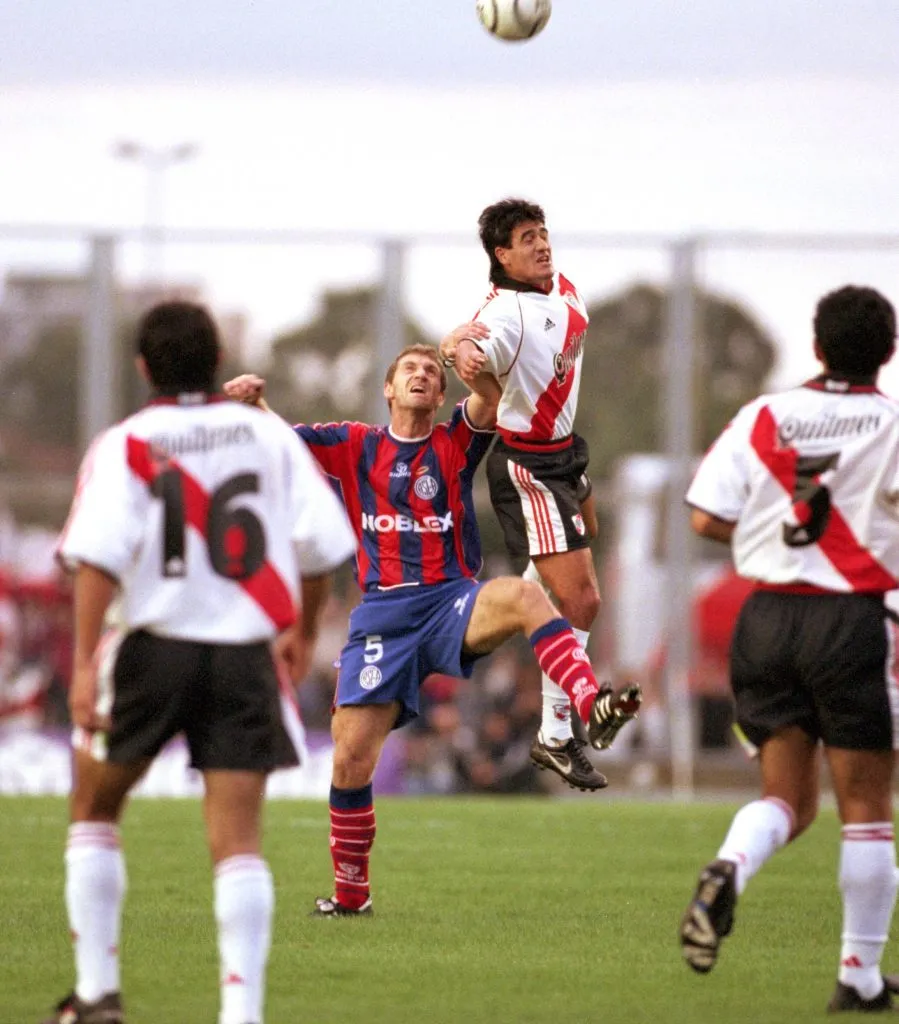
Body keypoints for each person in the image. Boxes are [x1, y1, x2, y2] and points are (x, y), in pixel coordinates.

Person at [224, 334, 636, 917]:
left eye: (429, 371)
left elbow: (491, 405)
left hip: (450, 601)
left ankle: (587, 702)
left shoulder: (454, 442)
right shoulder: (354, 443)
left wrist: (469, 362)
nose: (420, 374)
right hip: (382, 619)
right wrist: (253, 405)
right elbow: (281, 446)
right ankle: (350, 898)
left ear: (441, 394)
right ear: (388, 388)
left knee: (523, 594)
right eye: (409, 369)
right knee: (349, 760)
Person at [45, 300, 357, 1024]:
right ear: (217, 361)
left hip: (151, 647)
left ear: (143, 366)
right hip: (243, 655)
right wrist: (303, 631)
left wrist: (89, 662)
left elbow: (93, 559)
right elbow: (320, 547)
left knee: (94, 810)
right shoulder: (265, 437)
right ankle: (239, 1015)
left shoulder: (126, 442)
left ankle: (97, 998)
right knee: (237, 841)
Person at [678, 285, 899, 1012]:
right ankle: (858, 976)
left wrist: (769, 537)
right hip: (850, 621)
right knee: (865, 804)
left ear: (815, 345)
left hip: (764, 618)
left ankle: (727, 871)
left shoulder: (763, 414)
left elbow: (705, 515)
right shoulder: (892, 423)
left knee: (785, 799)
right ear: (888, 351)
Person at [439, 197, 641, 790]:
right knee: (582, 602)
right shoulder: (507, 316)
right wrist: (459, 348)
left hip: (564, 454)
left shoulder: (566, 289)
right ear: (501, 255)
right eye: (526, 238)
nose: (541, 244)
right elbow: (474, 350)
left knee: (567, 572)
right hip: (528, 464)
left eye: (543, 233)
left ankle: (502, 617)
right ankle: (562, 728)